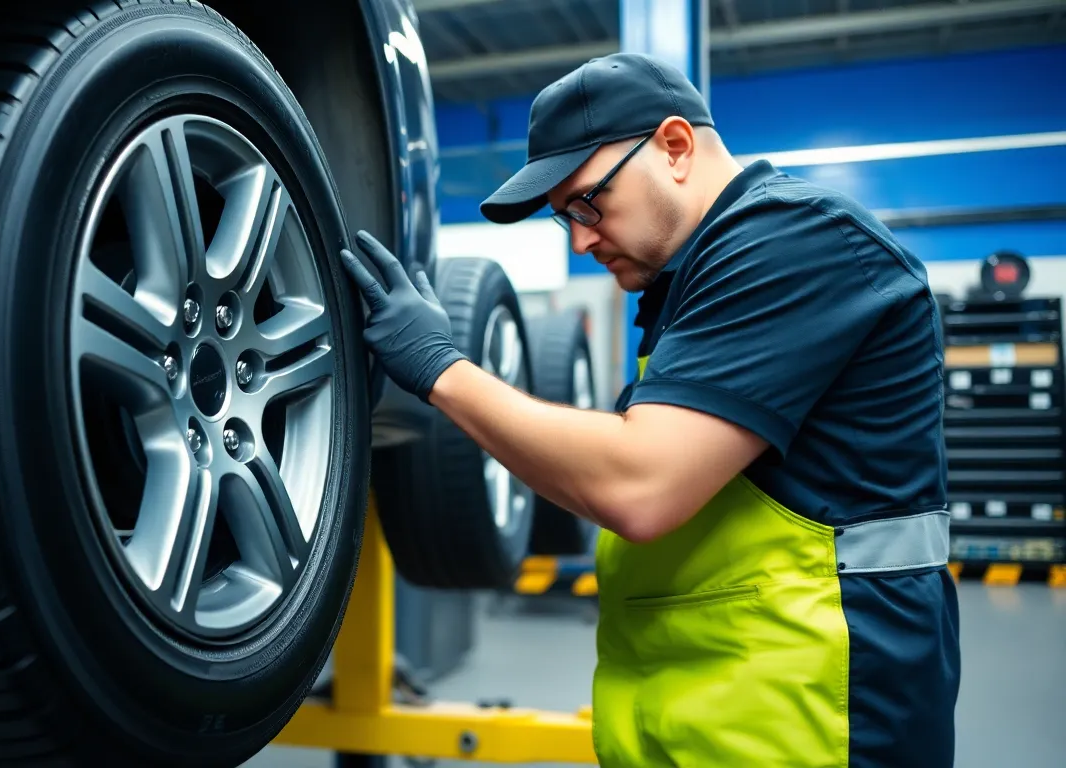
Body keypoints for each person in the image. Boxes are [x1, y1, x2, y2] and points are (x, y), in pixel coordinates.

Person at [338, 52, 960, 768]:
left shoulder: (794, 242)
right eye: (562, 218)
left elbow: (639, 484)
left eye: (587, 203)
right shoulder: (688, 287)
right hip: (718, 725)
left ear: (673, 147)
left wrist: (442, 370)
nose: (579, 239)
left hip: (820, 723)